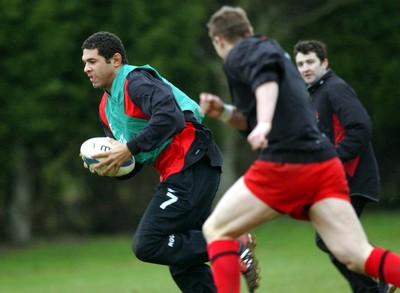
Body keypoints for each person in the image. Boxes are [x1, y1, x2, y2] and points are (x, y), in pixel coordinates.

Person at [199, 6, 400, 293]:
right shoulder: (269, 50)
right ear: (248, 29)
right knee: (355, 255)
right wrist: (224, 112)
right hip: (324, 165)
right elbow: (252, 114)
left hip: (287, 164)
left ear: (218, 40)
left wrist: (265, 123)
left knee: (216, 229)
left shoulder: (240, 53)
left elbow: (265, 80)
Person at [80, 31, 259, 293]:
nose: (87, 68)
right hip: (178, 170)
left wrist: (128, 148)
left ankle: (232, 245)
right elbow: (134, 160)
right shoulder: (106, 109)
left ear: (115, 60)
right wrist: (110, 165)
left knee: (149, 243)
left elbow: (171, 118)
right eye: (85, 62)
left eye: (93, 61)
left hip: (192, 161)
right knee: (182, 261)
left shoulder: (136, 82)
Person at [293, 40, 396, 293]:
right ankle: (375, 284)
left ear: (324, 63)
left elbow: (360, 127)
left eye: (310, 62)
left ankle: (385, 275)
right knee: (333, 240)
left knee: (332, 239)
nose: (305, 68)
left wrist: (333, 161)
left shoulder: (335, 89)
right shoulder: (316, 93)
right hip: (335, 181)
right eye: (300, 64)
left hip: (351, 178)